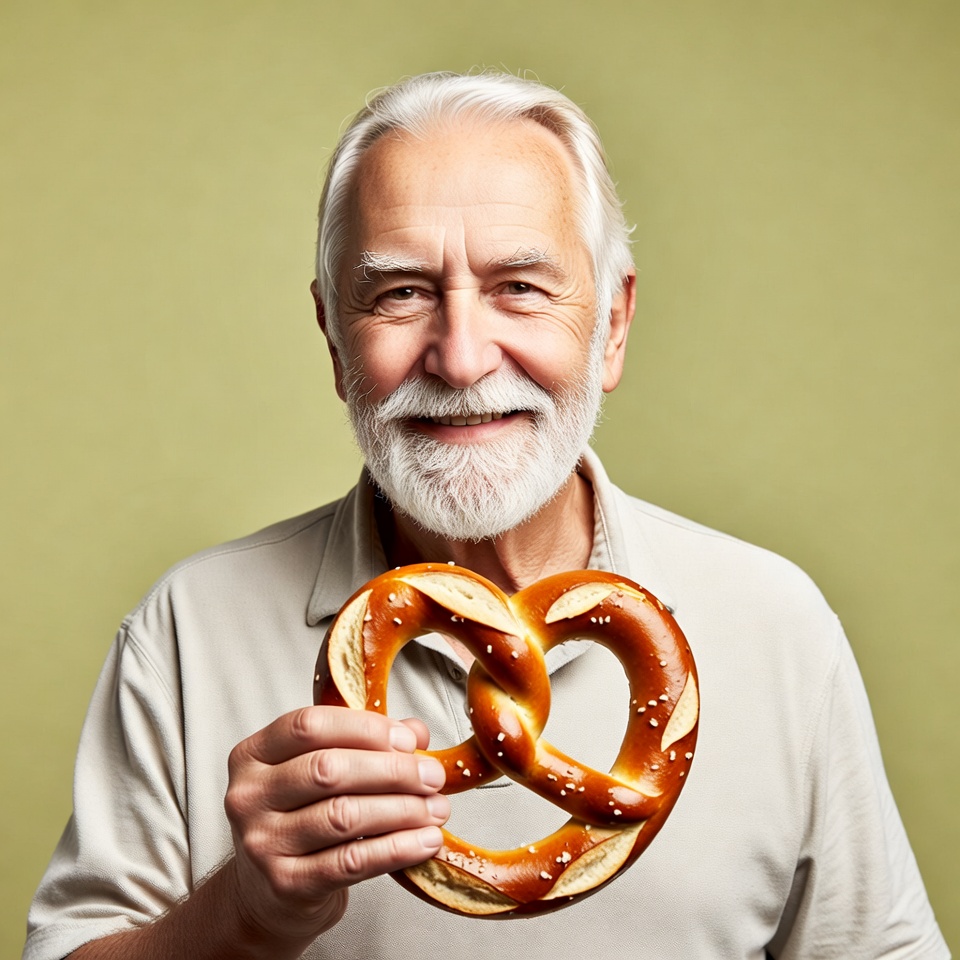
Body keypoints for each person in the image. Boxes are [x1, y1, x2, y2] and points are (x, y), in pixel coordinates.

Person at [24, 71, 948, 960]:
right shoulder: (187, 633)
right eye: (401, 294)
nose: (461, 358)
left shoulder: (776, 626)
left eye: (520, 286)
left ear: (613, 326)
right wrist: (247, 917)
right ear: (334, 342)